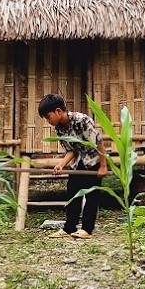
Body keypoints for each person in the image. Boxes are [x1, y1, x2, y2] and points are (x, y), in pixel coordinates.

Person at [37, 92, 109, 239]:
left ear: (58, 111)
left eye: (48, 117)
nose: (48, 121)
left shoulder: (81, 121)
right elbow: (72, 150)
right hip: (78, 162)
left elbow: (99, 142)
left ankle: (87, 229)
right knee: (73, 192)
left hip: (93, 160)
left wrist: (103, 165)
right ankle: (69, 227)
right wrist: (61, 164)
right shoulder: (60, 128)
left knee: (91, 194)